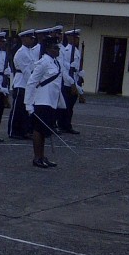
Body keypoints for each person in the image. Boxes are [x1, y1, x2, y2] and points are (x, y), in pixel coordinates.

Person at [25, 34, 66, 168]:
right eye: (55, 48)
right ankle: (37, 158)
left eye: (58, 48)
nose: (58, 50)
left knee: (44, 130)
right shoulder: (43, 63)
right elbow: (32, 82)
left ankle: (42, 156)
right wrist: (28, 104)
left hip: (51, 101)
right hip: (41, 100)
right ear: (48, 49)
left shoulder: (55, 62)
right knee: (38, 130)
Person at [7, 29, 39, 139]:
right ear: (24, 39)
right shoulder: (21, 52)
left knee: (25, 110)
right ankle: (13, 131)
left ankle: (23, 131)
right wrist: (33, 84)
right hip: (21, 83)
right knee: (18, 109)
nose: (32, 40)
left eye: (33, 39)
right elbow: (26, 71)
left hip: (27, 84)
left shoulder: (30, 51)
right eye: (30, 38)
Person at [57, 29, 83, 132]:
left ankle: (67, 125)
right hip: (67, 82)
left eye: (77, 38)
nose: (76, 39)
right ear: (68, 38)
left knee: (70, 106)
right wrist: (71, 83)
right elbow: (64, 69)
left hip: (75, 80)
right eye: (74, 37)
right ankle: (62, 125)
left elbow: (76, 67)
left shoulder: (76, 50)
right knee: (65, 106)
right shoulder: (66, 51)